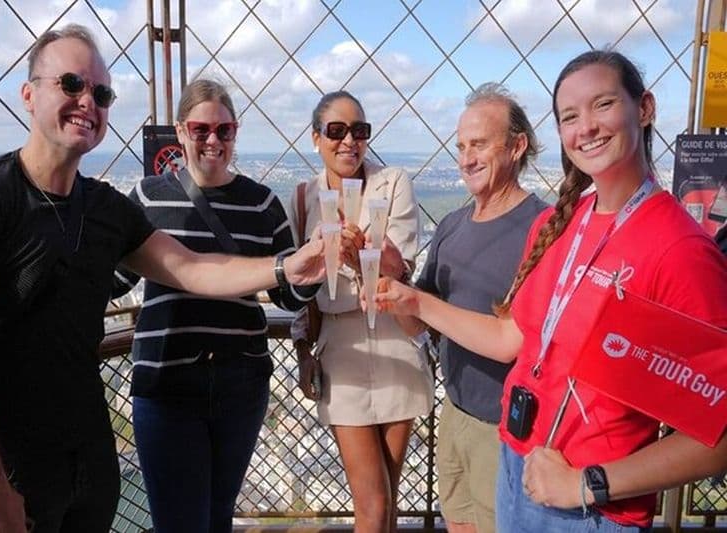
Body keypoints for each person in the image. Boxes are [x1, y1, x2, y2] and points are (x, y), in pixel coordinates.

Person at [0, 24, 323, 533]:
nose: (87, 101)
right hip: (10, 463)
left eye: (101, 93)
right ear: (28, 94)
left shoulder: (109, 210)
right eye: (71, 84)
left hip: (89, 458)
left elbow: (189, 268)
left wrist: (285, 268)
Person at [371, 50, 727, 532]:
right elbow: (510, 338)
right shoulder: (559, 226)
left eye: (603, 104)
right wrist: (413, 300)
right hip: (519, 466)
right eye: (570, 116)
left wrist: (589, 484)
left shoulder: (680, 250)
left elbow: (716, 436)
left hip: (590, 505)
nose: (587, 127)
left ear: (644, 108)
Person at [112, 78, 319, 533]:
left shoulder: (262, 204)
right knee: (182, 521)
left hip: (239, 381)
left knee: (217, 514)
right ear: (180, 132)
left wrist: (316, 271)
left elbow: (288, 294)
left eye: (224, 130)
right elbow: (116, 279)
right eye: (200, 129)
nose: (213, 140)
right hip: (168, 384)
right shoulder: (147, 198)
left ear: (235, 132)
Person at [394, 83, 545, 533]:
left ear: (517, 146)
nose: (466, 159)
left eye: (479, 144)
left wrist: (416, 300)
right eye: (461, 146)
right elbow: (416, 326)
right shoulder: (452, 225)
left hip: (507, 429)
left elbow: (513, 340)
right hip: (456, 413)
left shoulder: (543, 229)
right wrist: (390, 284)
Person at [289, 90, 434, 533]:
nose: (349, 140)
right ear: (316, 137)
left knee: (387, 500)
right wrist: (303, 351)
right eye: (336, 130)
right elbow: (299, 288)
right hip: (342, 348)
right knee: (372, 502)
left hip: (393, 339)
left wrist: (368, 254)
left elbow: (402, 268)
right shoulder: (303, 197)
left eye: (359, 130)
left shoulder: (392, 183)